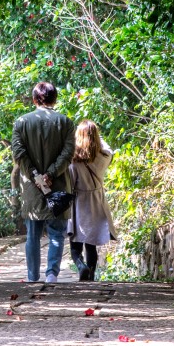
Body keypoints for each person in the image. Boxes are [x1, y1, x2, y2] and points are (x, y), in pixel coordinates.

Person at [11, 82, 76, 283]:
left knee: (32, 234)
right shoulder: (65, 122)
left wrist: (35, 176)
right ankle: (51, 275)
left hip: (31, 188)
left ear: (34, 100)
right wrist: (50, 173)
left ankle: (32, 277)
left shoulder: (21, 122)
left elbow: (19, 154)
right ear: (54, 99)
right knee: (57, 233)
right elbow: (68, 153)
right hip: (57, 187)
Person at [67, 120, 118, 281]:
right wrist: (95, 137)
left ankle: (81, 267)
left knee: (75, 246)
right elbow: (108, 147)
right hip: (97, 202)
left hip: (78, 204)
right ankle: (91, 277)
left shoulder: (73, 160)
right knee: (91, 246)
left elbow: (70, 182)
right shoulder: (104, 156)